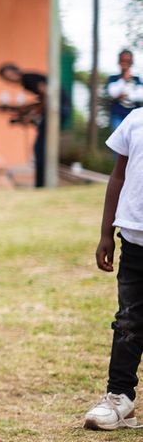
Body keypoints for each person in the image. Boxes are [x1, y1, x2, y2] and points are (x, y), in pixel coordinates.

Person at [84, 106, 143, 430]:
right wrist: (107, 232)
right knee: (128, 322)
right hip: (134, 239)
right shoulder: (135, 120)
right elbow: (118, 176)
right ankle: (120, 398)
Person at [0, 63, 71, 188]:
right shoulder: (29, 79)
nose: (9, 79)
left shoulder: (27, 78)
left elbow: (47, 94)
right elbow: (43, 97)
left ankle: (42, 183)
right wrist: (28, 110)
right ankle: (42, 182)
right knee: (42, 148)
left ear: (14, 72)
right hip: (61, 109)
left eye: (8, 75)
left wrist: (32, 114)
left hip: (57, 110)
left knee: (41, 149)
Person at [106, 49, 143, 131]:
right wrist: (124, 79)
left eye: (128, 61)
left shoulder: (137, 79)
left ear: (131, 62)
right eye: (123, 60)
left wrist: (126, 95)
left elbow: (141, 96)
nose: (125, 63)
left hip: (134, 117)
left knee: (133, 142)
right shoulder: (113, 78)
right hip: (118, 116)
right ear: (119, 62)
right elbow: (112, 93)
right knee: (118, 142)